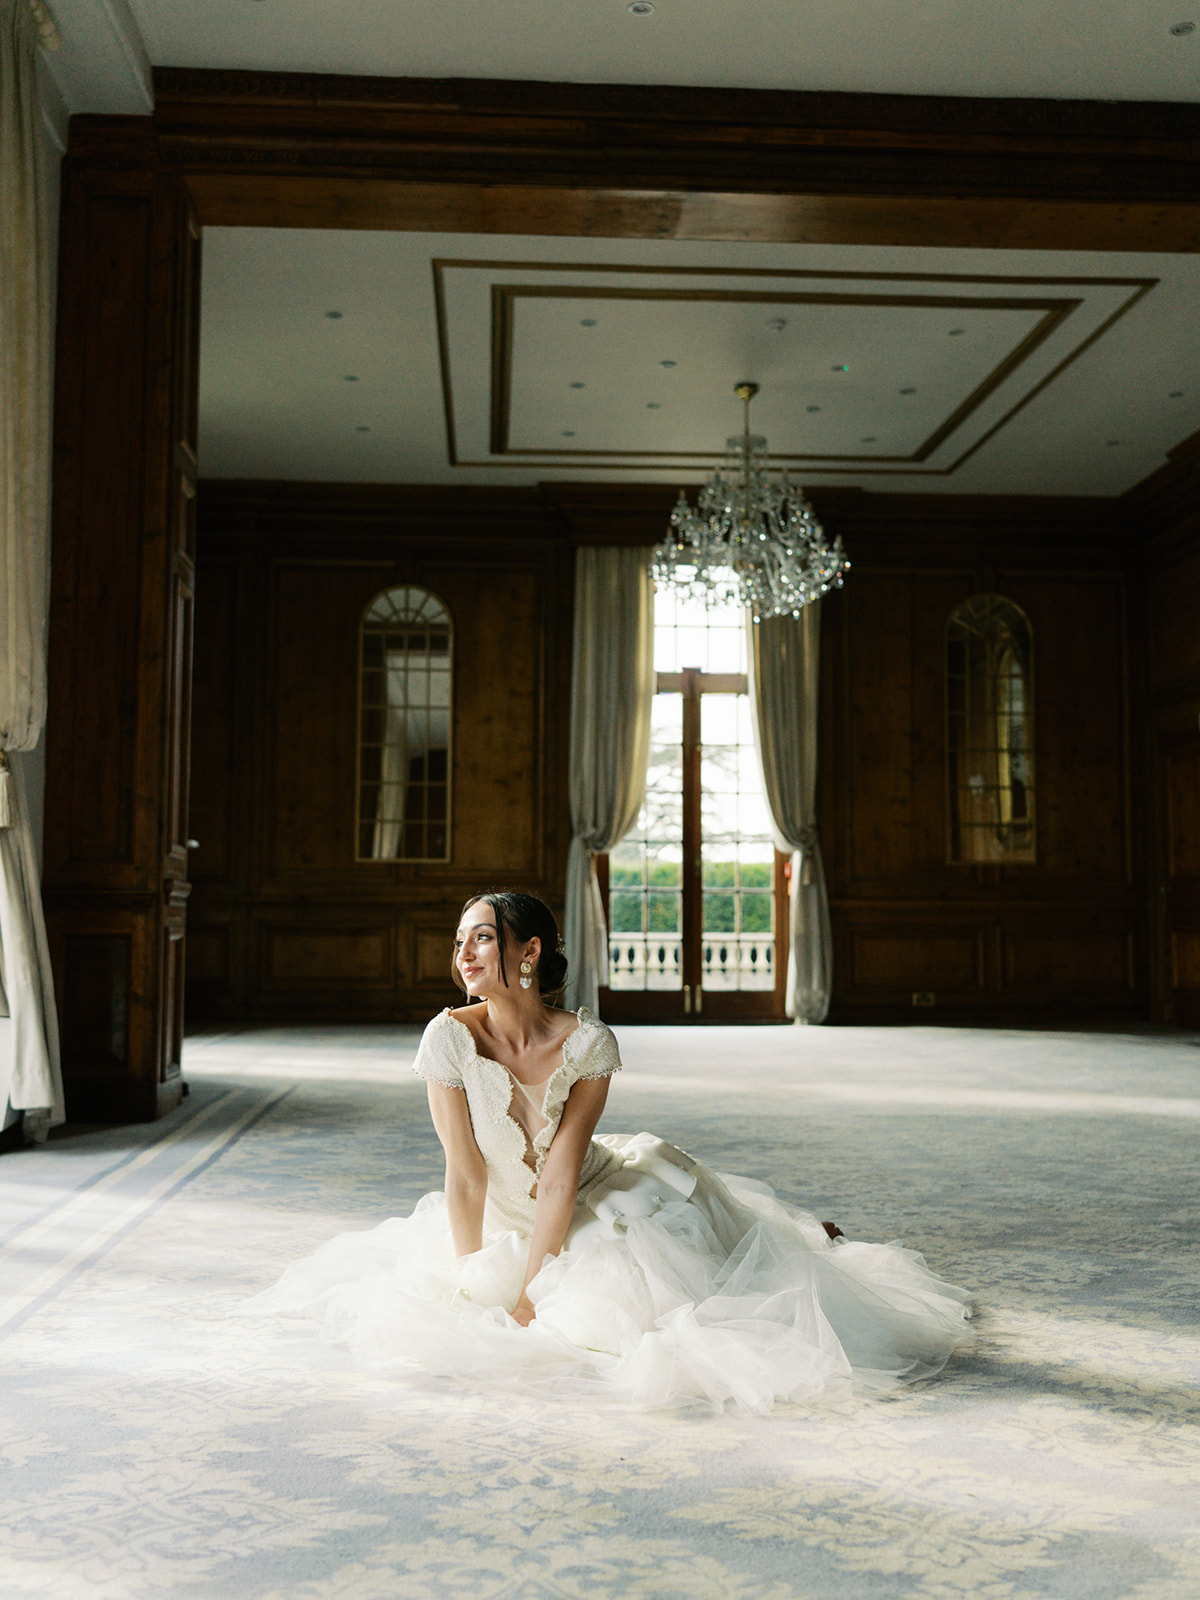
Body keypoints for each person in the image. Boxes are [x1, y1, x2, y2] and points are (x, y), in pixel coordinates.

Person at [249, 891, 972, 1413]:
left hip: (589, 1191)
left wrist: (532, 1295)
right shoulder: (448, 1037)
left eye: (481, 938)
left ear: (529, 952)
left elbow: (561, 1176)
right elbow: (464, 1176)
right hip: (499, 1208)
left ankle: (808, 1236)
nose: (462, 954)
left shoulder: (589, 1043)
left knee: (681, 1277)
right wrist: (475, 1278)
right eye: (459, 941)